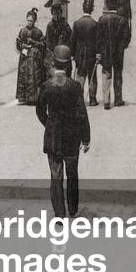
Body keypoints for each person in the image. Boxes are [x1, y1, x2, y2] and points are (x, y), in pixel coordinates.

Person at [36, 45, 91, 219]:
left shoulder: (46, 86)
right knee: (72, 174)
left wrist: (49, 124)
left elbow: (39, 111)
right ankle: (73, 208)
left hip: (52, 137)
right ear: (69, 65)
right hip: (72, 136)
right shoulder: (74, 86)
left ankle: (59, 213)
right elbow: (82, 114)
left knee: (56, 175)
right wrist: (86, 138)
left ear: (54, 63)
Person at [96, 0, 131, 109]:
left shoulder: (101, 20)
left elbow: (98, 38)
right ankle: (118, 99)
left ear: (107, 5)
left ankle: (106, 100)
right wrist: (122, 46)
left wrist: (100, 50)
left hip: (105, 52)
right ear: (116, 5)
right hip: (119, 52)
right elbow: (127, 38)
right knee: (118, 74)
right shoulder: (122, 20)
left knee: (106, 74)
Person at [15, 9, 47, 105]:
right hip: (24, 58)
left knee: (34, 76)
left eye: (31, 21)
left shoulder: (38, 32)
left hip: (34, 58)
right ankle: (24, 97)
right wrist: (22, 46)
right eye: (28, 20)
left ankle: (34, 98)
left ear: (34, 21)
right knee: (24, 76)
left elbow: (43, 44)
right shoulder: (22, 31)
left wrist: (34, 43)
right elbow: (18, 43)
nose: (29, 22)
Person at [71, 0, 99, 105]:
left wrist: (73, 54)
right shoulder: (94, 24)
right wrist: (97, 53)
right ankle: (92, 99)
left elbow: (72, 40)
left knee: (80, 76)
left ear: (83, 8)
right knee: (92, 77)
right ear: (92, 9)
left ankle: (79, 99)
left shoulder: (77, 23)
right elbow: (97, 41)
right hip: (91, 54)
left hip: (80, 54)